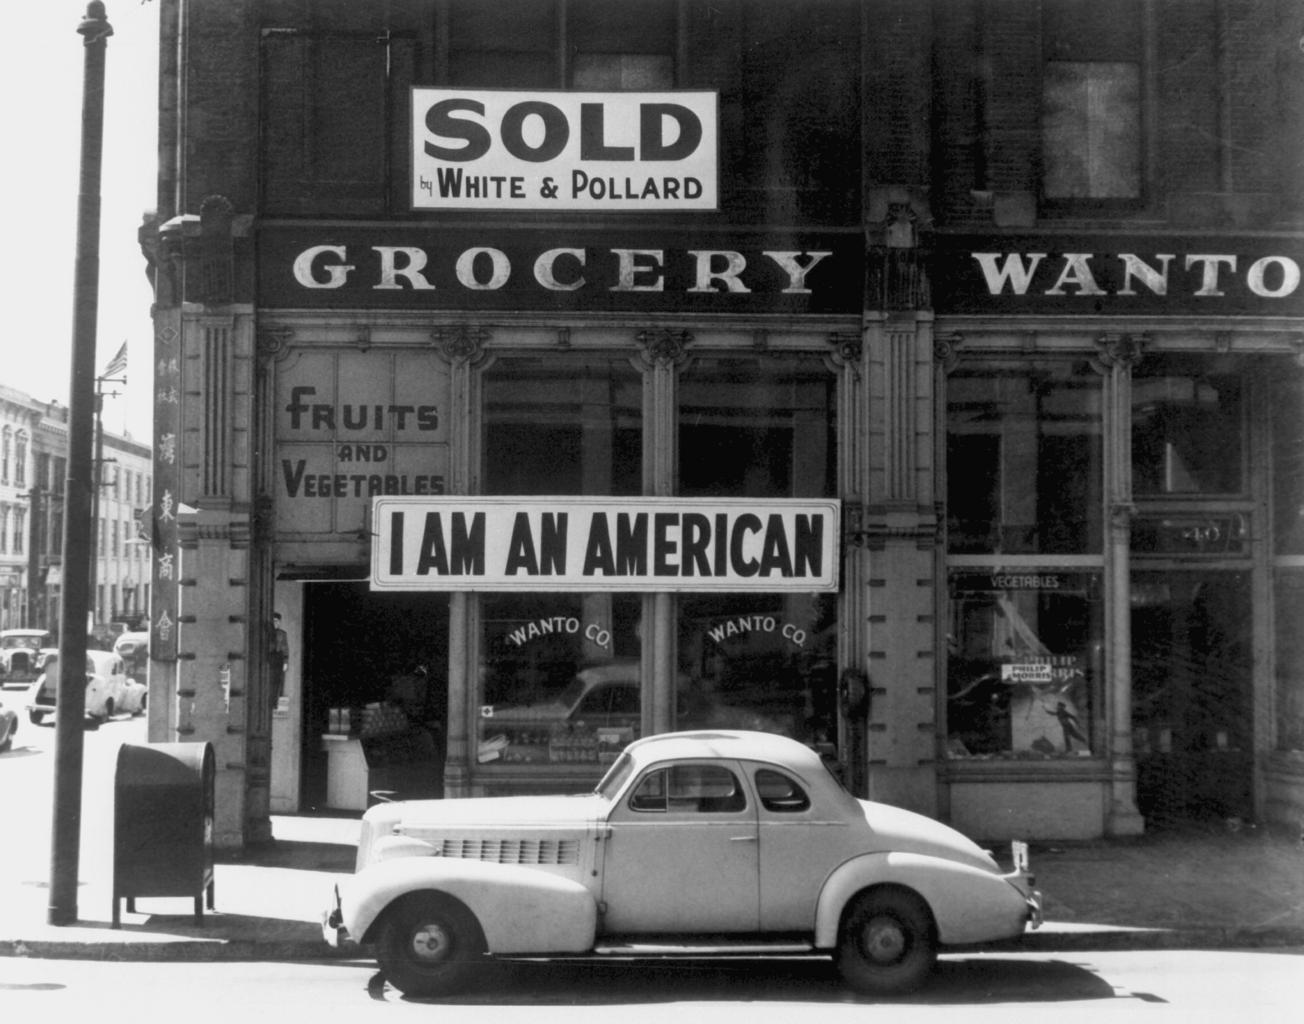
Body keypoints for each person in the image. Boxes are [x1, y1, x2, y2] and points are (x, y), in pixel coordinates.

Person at [270, 612, 289, 707]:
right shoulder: (268, 633)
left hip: (279, 658)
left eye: (277, 621)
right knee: (270, 680)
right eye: (273, 621)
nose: (275, 623)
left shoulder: (283, 634)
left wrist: (285, 662)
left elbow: (285, 648)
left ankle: (275, 703)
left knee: (278, 681)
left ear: (280, 622)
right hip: (270, 658)